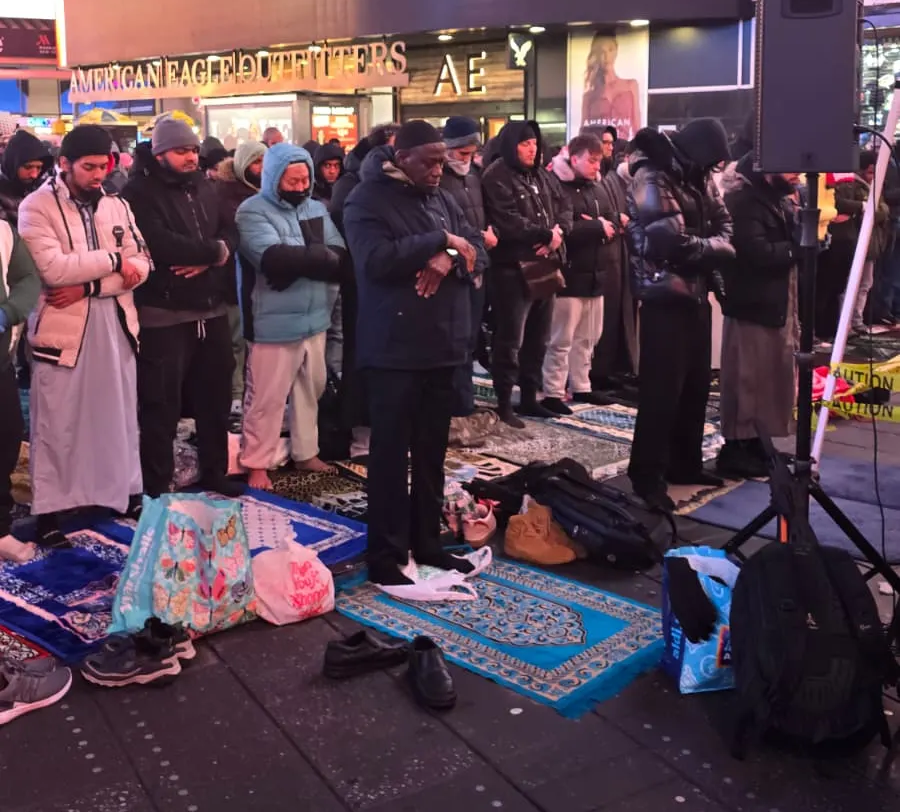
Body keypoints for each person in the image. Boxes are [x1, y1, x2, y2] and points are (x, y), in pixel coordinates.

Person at [343, 120, 487, 590]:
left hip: (444, 346)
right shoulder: (367, 199)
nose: (437, 169)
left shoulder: (443, 196)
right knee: (389, 456)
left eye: (442, 160)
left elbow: (478, 251)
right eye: (428, 161)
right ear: (399, 157)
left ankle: (427, 542)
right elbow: (375, 261)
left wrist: (450, 258)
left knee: (431, 453)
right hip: (395, 351)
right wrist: (439, 242)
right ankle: (385, 552)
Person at [18, 125, 150, 547]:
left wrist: (92, 285)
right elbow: (53, 271)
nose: (99, 175)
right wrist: (113, 260)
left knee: (117, 415)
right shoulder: (35, 207)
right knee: (59, 423)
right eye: (89, 167)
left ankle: (121, 493)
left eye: (104, 166)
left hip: (114, 324)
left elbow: (143, 264)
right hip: (62, 333)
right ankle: (50, 514)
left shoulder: (117, 205)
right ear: (64, 165)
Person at [122, 116, 241, 499]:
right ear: (159, 154)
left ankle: (215, 472)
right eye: (181, 151)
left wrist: (215, 256)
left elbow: (231, 231)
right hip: (164, 313)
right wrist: (216, 253)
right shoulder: (138, 192)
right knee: (161, 406)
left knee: (215, 400)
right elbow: (159, 244)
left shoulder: (205, 186)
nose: (190, 157)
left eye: (192, 150)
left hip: (210, 308)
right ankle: (157, 485)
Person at [625, 118, 735, 512]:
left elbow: (725, 224)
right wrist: (715, 248)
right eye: (714, 161)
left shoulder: (697, 175)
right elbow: (668, 241)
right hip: (663, 297)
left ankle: (684, 463)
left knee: (695, 386)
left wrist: (706, 246)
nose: (717, 170)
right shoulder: (651, 175)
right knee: (660, 394)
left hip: (695, 292)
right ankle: (647, 475)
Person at [236, 143, 347, 489]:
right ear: (273, 178)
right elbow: (271, 259)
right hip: (273, 323)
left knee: (309, 392)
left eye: (304, 180)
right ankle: (256, 463)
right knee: (265, 399)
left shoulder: (315, 207)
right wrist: (315, 259)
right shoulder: (252, 211)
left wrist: (304, 260)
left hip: (315, 318)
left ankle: (305, 452)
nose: (300, 188)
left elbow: (341, 256)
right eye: (293, 181)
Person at [482, 120, 572, 427]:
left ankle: (530, 397)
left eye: (534, 142)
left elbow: (564, 206)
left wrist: (557, 232)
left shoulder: (541, 175)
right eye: (524, 143)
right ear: (511, 145)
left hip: (545, 265)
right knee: (510, 340)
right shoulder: (496, 175)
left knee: (540, 338)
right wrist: (545, 235)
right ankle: (504, 402)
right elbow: (506, 221)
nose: (532, 148)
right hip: (511, 270)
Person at [718, 154, 800, 478]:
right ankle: (736, 449)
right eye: (790, 166)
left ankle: (759, 444)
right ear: (768, 171)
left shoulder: (776, 201)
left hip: (773, 304)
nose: (796, 175)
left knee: (769, 379)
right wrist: (798, 247)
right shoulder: (744, 203)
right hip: (751, 305)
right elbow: (757, 254)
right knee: (747, 380)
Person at [328, 122, 400, 458]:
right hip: (362, 285)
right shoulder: (351, 184)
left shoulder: (401, 184)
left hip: (395, 284)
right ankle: (360, 433)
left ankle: (389, 430)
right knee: (363, 359)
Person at [542, 133, 617, 415]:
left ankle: (581, 385)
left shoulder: (597, 187)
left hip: (596, 273)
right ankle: (552, 390)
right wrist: (595, 227)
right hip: (569, 276)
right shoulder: (558, 186)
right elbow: (563, 228)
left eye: (600, 161)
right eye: (592, 160)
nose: (597, 166)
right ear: (574, 158)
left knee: (588, 338)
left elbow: (610, 218)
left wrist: (603, 224)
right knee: (560, 338)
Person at [440, 116, 497, 416]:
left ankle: (464, 399)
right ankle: (455, 402)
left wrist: (487, 236)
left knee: (471, 335)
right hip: (454, 265)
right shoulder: (440, 179)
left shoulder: (475, 175)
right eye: (462, 154)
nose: (467, 160)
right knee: (455, 337)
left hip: (479, 262)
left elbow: (482, 214)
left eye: (471, 154)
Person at [216, 140, 267, 417]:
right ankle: (236, 393)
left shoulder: (268, 192)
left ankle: (250, 392)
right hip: (230, 280)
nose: (260, 168)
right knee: (235, 341)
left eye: (263, 162)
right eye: (255, 162)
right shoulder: (225, 195)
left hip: (260, 281)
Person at [0, 215, 40, 562]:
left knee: (6, 436)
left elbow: (27, 277)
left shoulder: (2, 231)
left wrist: (9, 312)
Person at [592, 142, 638, 388]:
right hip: (609, 257)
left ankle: (618, 368)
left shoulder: (632, 182)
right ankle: (600, 372)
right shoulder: (608, 182)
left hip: (625, 255)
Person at [832, 151, 891, 337]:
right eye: (870, 172)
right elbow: (873, 210)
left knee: (866, 283)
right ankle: (845, 322)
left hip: (872, 242)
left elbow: (882, 210)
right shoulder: (853, 186)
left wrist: (871, 210)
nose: (873, 176)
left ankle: (857, 320)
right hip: (857, 242)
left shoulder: (873, 187)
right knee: (850, 284)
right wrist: (866, 209)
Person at [581, 33, 642, 141]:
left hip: (623, 150)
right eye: (601, 52)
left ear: (616, 51)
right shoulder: (589, 96)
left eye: (610, 50)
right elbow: (583, 134)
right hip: (598, 151)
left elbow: (637, 126)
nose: (606, 56)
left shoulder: (631, 85)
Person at [0, 129, 53, 227]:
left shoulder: (42, 188)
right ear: (13, 164)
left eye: (39, 168)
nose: (34, 174)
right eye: (28, 167)